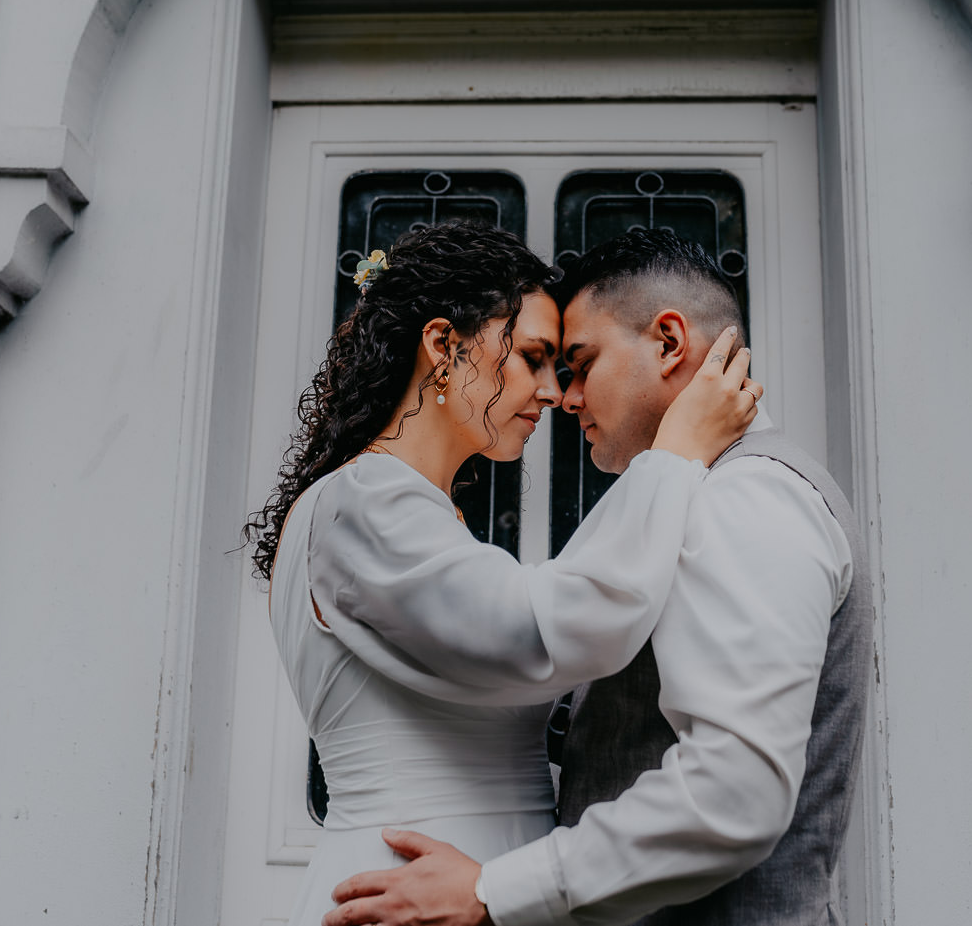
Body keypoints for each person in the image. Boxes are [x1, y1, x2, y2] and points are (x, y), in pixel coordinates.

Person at [320, 228, 872, 926]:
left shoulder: (747, 499)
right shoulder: (693, 495)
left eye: (579, 364)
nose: (565, 397)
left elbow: (734, 790)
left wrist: (495, 889)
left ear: (669, 343)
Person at [243, 220, 761, 926]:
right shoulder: (364, 502)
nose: (553, 391)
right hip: (406, 889)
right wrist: (675, 454)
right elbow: (546, 630)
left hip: (471, 885)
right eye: (532, 356)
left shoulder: (415, 516)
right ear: (443, 346)